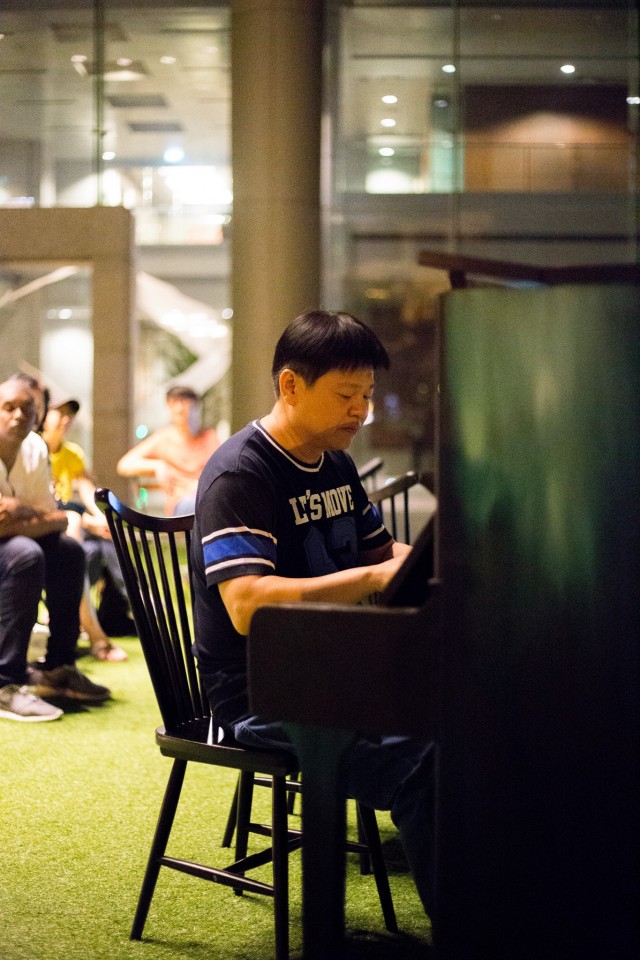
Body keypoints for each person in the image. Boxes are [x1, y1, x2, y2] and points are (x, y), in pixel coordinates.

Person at [190, 309, 435, 916]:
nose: (361, 411)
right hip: (261, 691)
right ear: (290, 385)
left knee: (473, 715)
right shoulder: (241, 473)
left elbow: (383, 552)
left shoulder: (336, 463)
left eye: (367, 396)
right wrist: (373, 579)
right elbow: (247, 606)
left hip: (337, 665)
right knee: (425, 764)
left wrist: (438, 563)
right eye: (346, 395)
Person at [0, 377, 110, 721]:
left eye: (27, 408)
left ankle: (58, 668)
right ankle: (6, 683)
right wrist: (38, 516)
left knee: (68, 551)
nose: (19, 415)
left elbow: (55, 519)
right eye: (9, 407)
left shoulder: (35, 448)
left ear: (38, 415)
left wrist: (20, 510)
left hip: (16, 541)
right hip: (14, 550)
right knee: (25, 554)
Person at [40, 397, 132, 659]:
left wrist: (101, 517)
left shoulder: (72, 453)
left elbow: (87, 488)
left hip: (70, 521)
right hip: (55, 522)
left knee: (111, 536)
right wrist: (86, 519)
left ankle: (133, 607)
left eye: (69, 415)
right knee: (75, 535)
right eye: (59, 413)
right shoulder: (34, 449)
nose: (66, 420)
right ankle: (96, 633)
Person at [117, 385, 220, 516]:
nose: (181, 409)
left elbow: (222, 468)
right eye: (176, 404)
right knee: (203, 505)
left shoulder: (210, 437)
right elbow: (124, 465)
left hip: (208, 495)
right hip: (183, 503)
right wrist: (157, 465)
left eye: (187, 404)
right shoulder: (163, 438)